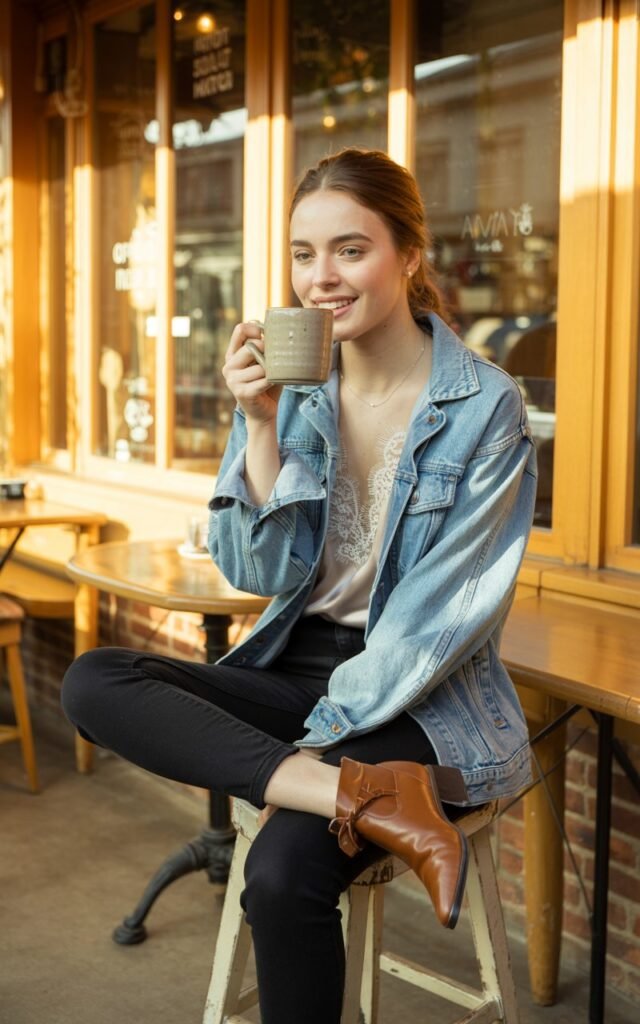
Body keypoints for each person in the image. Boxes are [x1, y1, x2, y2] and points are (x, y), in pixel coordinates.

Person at [62, 147, 537, 1024]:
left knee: (280, 874)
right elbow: (259, 572)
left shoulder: (486, 407)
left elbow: (435, 624)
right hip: (297, 668)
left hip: (420, 696)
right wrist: (257, 425)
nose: (322, 277)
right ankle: (371, 797)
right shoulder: (297, 391)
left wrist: (320, 739)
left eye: (351, 250)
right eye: (303, 253)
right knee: (94, 679)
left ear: (410, 254)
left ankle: (362, 785)